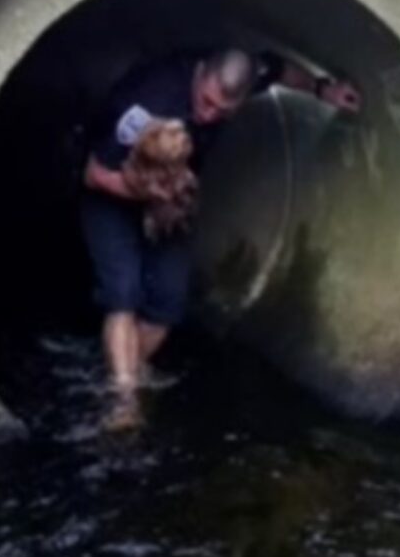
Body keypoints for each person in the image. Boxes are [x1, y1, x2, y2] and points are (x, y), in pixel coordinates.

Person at [81, 48, 361, 428]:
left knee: (169, 301)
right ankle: (124, 405)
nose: (208, 115)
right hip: (115, 192)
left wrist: (321, 89)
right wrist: (152, 195)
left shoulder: (247, 76)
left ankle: (117, 373)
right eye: (205, 102)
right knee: (123, 291)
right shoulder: (148, 101)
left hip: (174, 197)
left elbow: (277, 69)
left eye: (222, 112)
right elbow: (94, 174)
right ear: (199, 78)